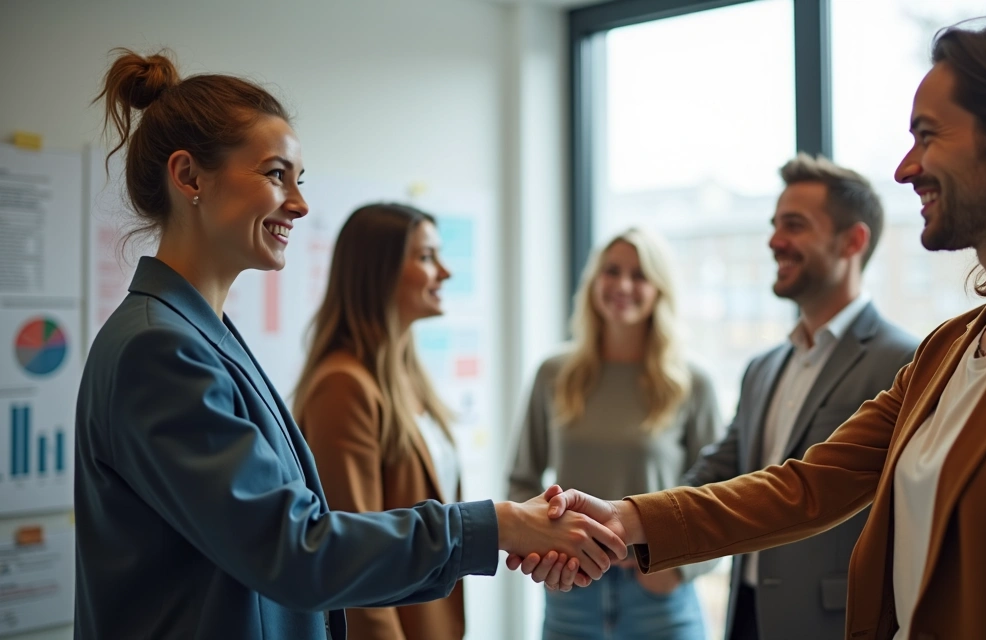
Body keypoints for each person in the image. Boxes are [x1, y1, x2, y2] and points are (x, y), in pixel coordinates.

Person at [522, 15, 986, 640]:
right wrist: (626, 518)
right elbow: (806, 486)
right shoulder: (952, 347)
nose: (906, 168)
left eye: (927, 135)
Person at [75, 49, 624, 640]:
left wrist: (504, 527)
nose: (300, 204)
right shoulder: (160, 351)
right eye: (275, 174)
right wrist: (499, 526)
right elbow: (296, 549)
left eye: (299, 180)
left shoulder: (199, 338)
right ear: (189, 177)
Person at [680, 154, 918, 640]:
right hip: (745, 613)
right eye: (774, 225)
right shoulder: (762, 368)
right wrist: (617, 520)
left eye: (794, 225)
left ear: (853, 241)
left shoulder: (906, 361)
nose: (773, 241)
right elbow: (718, 473)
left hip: (831, 622)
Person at [508, 227, 723, 639]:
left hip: (659, 594)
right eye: (612, 271)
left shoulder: (691, 382)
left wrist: (682, 569)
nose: (623, 285)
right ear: (594, 282)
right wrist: (541, 548)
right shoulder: (554, 374)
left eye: (639, 275)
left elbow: (720, 493)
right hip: (569, 590)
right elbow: (521, 478)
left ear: (660, 289)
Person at [293, 203, 466, 640]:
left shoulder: (409, 377)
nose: (444, 272)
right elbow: (355, 564)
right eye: (427, 257)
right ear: (380, 272)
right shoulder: (344, 387)